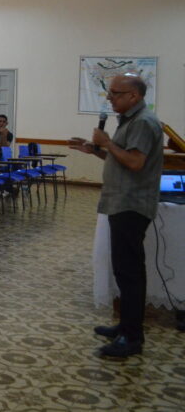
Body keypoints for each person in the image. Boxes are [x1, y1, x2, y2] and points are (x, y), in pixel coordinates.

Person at [68, 74, 164, 358]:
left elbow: (135, 163)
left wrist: (108, 144)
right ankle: (125, 325)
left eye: (115, 93)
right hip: (121, 202)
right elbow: (122, 158)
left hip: (131, 205)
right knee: (123, 269)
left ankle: (132, 338)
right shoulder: (131, 120)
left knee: (130, 272)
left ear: (134, 96)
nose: (109, 98)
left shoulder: (144, 122)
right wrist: (94, 149)